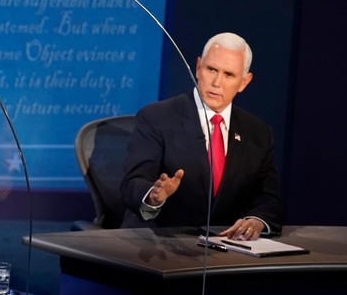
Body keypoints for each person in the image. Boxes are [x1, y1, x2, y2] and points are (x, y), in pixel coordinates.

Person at [120, 32, 283, 240]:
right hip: (160, 243)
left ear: (244, 82)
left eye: (229, 75)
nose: (217, 82)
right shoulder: (156, 117)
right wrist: (153, 195)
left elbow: (268, 196)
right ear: (198, 67)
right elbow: (132, 183)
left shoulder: (258, 132)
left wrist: (256, 220)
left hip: (224, 250)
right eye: (211, 69)